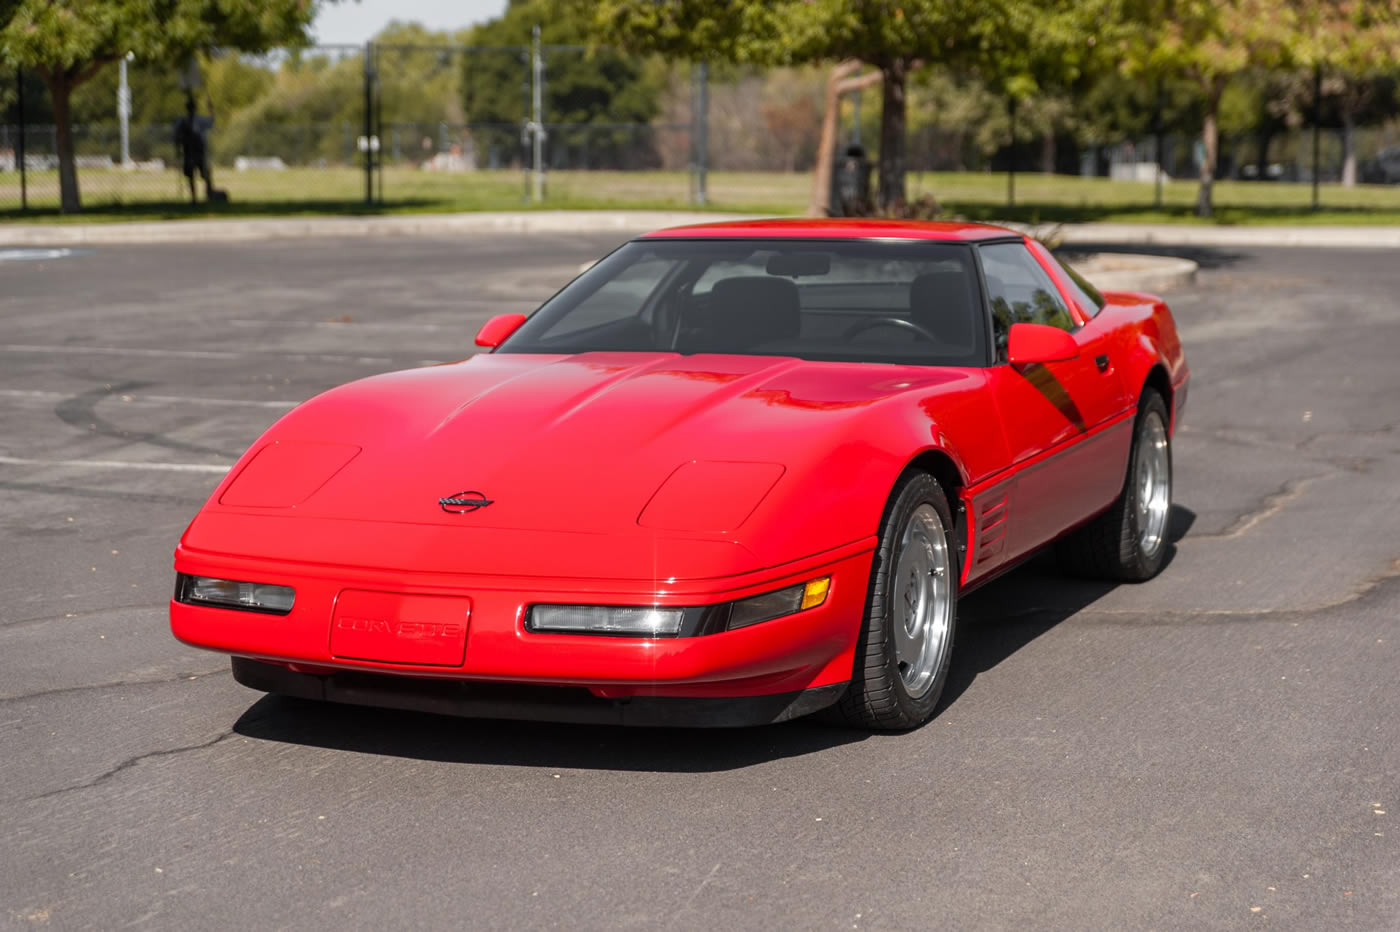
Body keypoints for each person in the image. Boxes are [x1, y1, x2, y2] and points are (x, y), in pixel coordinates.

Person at [173, 94, 214, 203]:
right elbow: (177, 136)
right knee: (191, 175)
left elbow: (211, 121)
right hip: (189, 151)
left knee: (204, 174)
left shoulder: (197, 120)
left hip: (198, 151)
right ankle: (194, 198)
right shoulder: (183, 121)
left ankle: (208, 195)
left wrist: (210, 108)